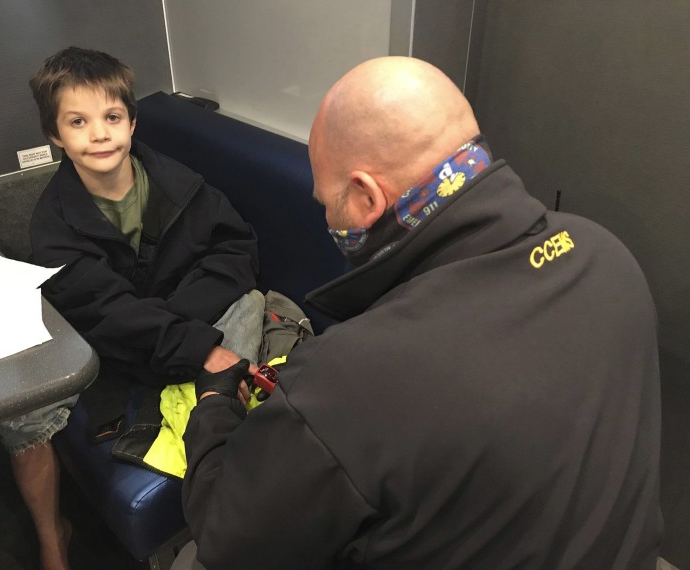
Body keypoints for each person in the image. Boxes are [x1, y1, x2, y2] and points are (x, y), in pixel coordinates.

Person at [180, 56, 663, 569]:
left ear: (367, 196)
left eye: (327, 201)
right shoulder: (604, 252)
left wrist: (213, 405)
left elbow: (227, 538)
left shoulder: (351, 375)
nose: (326, 216)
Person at [0, 46, 260, 570]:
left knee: (252, 306)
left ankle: (244, 491)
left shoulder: (180, 186)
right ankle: (53, 537)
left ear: (132, 122)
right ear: (55, 135)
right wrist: (187, 340)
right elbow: (100, 310)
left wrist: (179, 322)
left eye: (111, 117)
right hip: (104, 344)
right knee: (18, 409)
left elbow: (236, 251)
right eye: (78, 121)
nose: (98, 134)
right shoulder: (53, 225)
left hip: (179, 322)